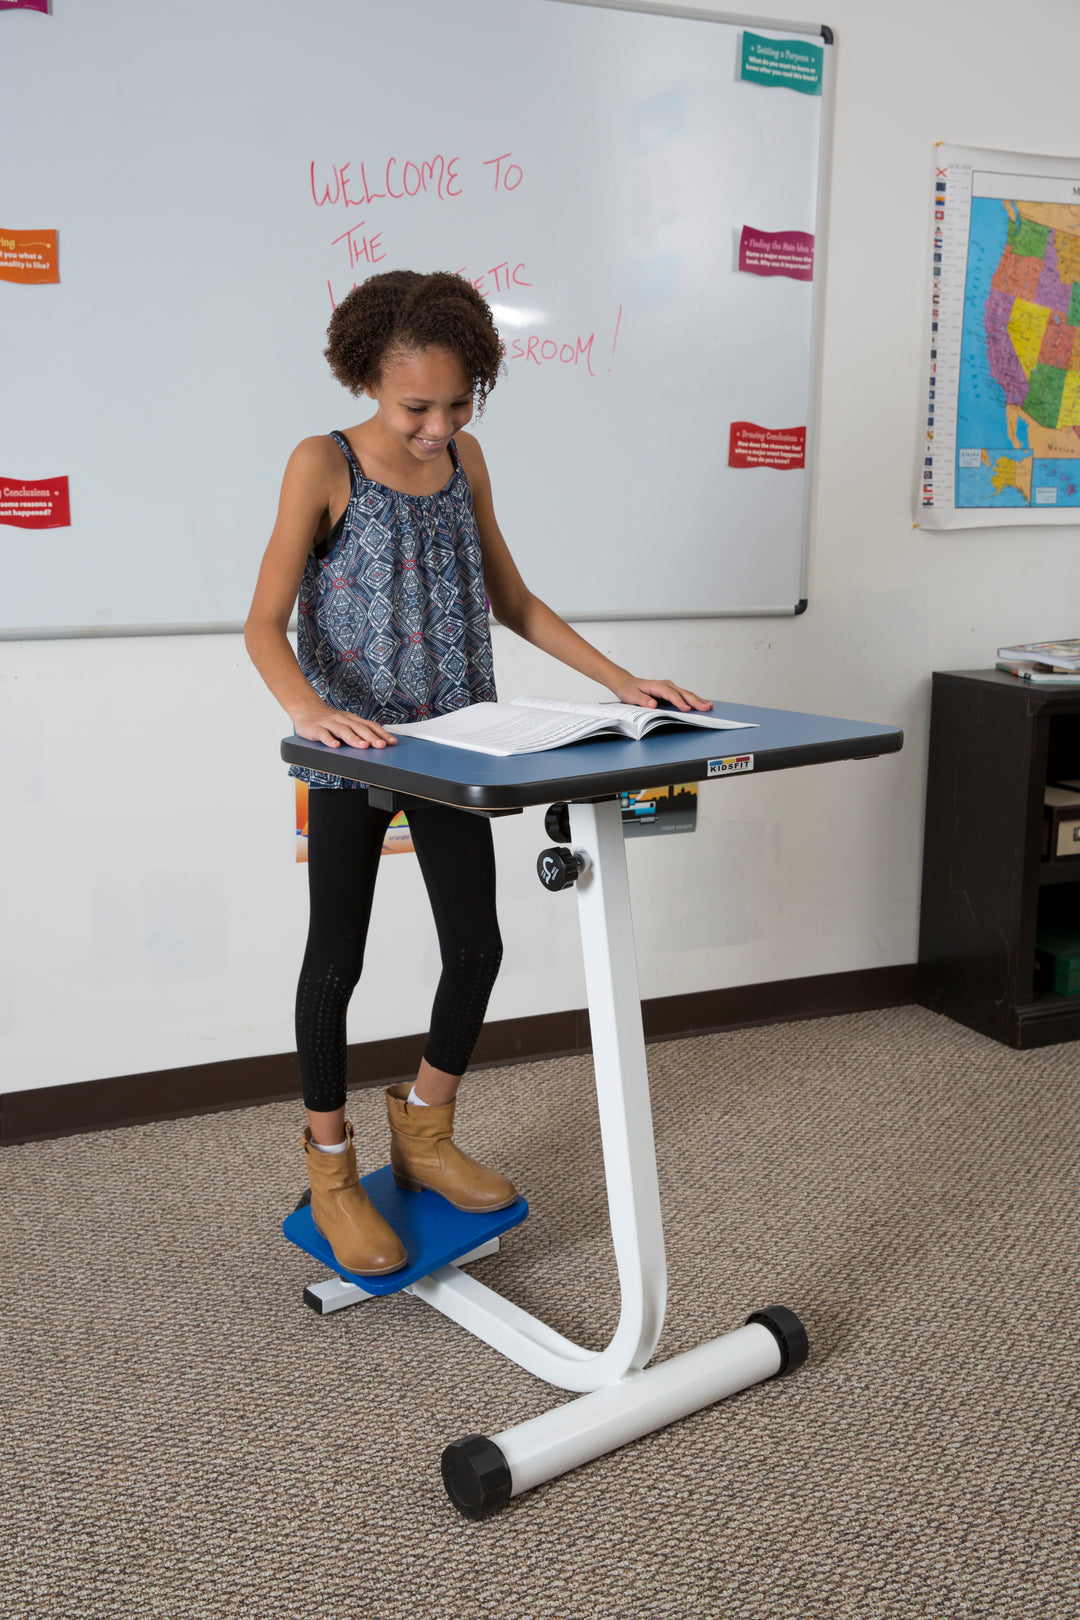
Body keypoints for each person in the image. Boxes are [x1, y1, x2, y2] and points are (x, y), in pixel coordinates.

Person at [245, 269, 710, 1277]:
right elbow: (263, 624)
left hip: (459, 748)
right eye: (417, 407)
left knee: (478, 947)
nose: (438, 426)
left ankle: (425, 1133)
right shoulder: (321, 463)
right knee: (336, 962)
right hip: (354, 754)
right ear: (366, 377)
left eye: (459, 405)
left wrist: (622, 681)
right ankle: (331, 1173)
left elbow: (515, 601)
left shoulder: (467, 460)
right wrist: (308, 711)